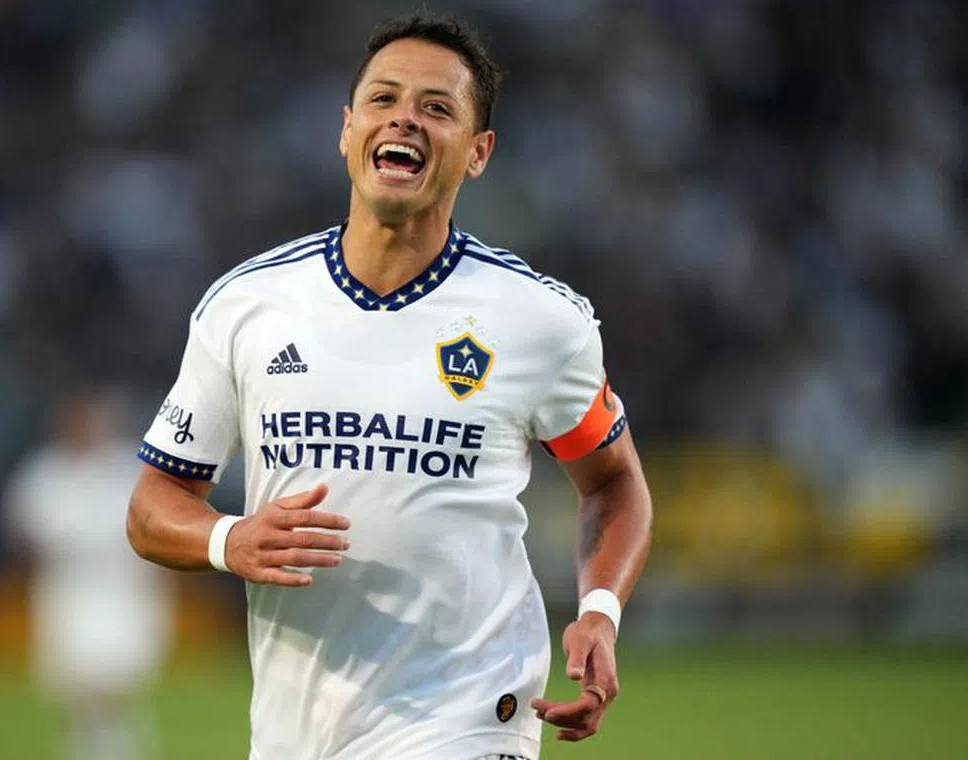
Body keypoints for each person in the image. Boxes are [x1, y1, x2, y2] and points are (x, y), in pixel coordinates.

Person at [126, 12, 652, 760]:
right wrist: (226, 538)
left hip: (472, 713)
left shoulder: (541, 321)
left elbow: (614, 483)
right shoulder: (248, 306)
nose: (404, 116)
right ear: (347, 130)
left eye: (437, 107)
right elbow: (152, 506)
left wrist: (600, 611)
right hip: (296, 730)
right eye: (383, 99)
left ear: (478, 153)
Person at [7, 389, 175, 760]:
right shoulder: (44, 472)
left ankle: (121, 748)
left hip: (123, 595)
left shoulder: (129, 469)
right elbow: (23, 536)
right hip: (68, 596)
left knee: (116, 683)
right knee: (77, 689)